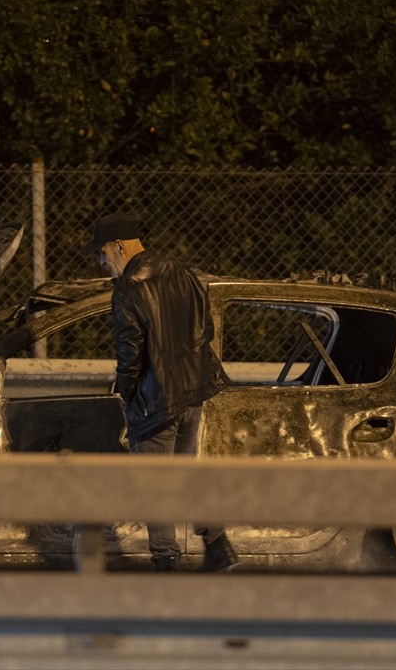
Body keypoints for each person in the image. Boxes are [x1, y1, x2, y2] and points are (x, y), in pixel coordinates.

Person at [81, 213, 239, 572]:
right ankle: (217, 544)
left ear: (119, 246)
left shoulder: (128, 287)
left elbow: (130, 349)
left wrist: (127, 392)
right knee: (184, 474)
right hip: (193, 392)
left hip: (154, 399)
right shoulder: (183, 273)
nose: (102, 262)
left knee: (155, 483)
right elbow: (206, 329)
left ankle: (166, 562)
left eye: (102, 253)